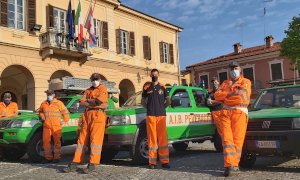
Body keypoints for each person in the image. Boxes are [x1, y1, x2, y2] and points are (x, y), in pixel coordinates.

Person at [63, 73, 108, 174]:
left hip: (98, 115)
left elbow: (98, 102)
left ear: (99, 80)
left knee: (95, 141)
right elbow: (82, 102)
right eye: (93, 79)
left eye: (96, 79)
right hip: (87, 115)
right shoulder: (88, 90)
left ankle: (92, 163)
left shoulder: (103, 89)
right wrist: (90, 101)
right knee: (81, 140)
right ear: (91, 80)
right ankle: (75, 162)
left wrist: (87, 101)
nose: (94, 81)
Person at [214, 62, 252, 177]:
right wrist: (231, 92)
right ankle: (230, 165)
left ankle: (232, 166)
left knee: (237, 140)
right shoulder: (225, 82)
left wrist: (225, 96)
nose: (233, 70)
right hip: (225, 112)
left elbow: (241, 96)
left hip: (239, 112)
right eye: (231, 68)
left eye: (235, 68)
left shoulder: (246, 81)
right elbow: (216, 95)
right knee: (226, 139)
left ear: (240, 69)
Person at [142, 69, 171, 169]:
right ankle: (152, 162)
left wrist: (162, 108)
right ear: (150, 75)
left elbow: (168, 101)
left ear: (159, 74)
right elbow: (142, 102)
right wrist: (149, 108)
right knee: (152, 139)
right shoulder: (146, 87)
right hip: (150, 116)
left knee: (163, 139)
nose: (154, 75)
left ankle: (165, 162)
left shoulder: (163, 87)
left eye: (156, 74)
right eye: (152, 74)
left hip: (161, 115)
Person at [39, 90, 70, 163]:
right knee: (46, 142)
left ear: (53, 95)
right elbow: (40, 112)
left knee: (57, 142)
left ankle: (56, 157)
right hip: (47, 125)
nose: (48, 95)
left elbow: (66, 113)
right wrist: (42, 115)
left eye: (49, 94)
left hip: (56, 126)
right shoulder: (43, 103)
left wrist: (64, 120)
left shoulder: (59, 103)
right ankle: (48, 158)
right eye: (47, 94)